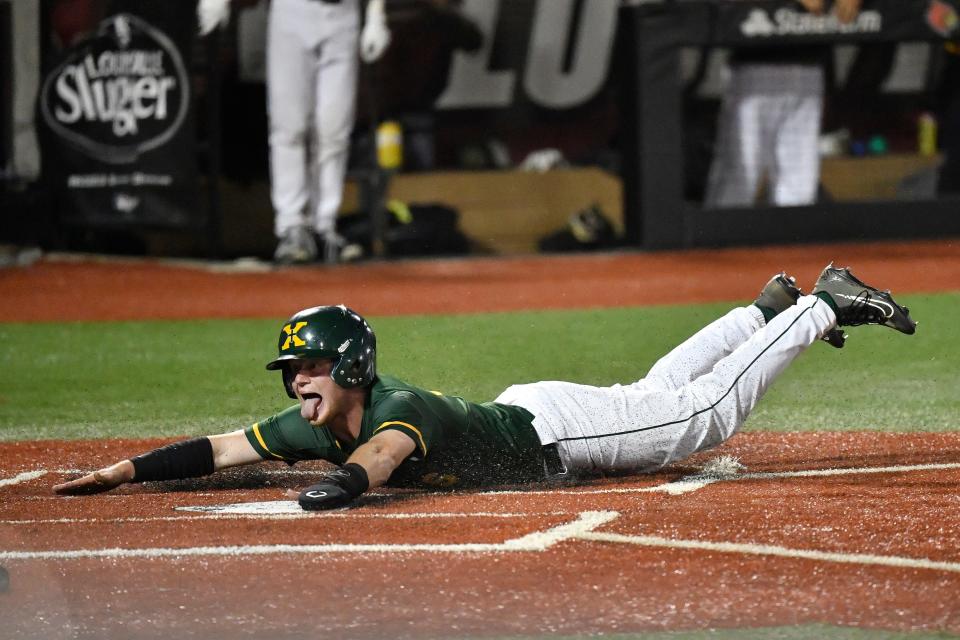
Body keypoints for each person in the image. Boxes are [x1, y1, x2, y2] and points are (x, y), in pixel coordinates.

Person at [52, 264, 916, 510]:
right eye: (293, 373)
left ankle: (809, 310)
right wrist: (124, 471)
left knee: (698, 416)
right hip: (538, 414)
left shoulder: (387, 413)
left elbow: (383, 459)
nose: (297, 383)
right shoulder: (323, 418)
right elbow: (221, 447)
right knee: (656, 395)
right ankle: (754, 317)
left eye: (307, 367)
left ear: (348, 367)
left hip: (558, 436)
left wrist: (341, 488)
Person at [198, 0, 392, 264]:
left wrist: (375, 15)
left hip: (344, 13)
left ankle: (325, 225)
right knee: (289, 126)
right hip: (293, 10)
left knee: (334, 129)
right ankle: (291, 226)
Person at [704, 0, 861, 208]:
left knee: (799, 188)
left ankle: (793, 239)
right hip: (757, 68)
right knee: (739, 178)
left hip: (809, 67)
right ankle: (718, 239)